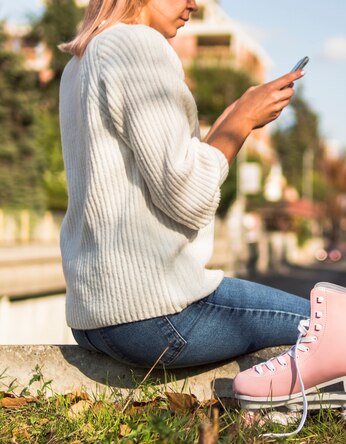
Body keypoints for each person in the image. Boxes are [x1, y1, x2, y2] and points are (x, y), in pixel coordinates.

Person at [58, 0, 310, 368]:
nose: (194, 3)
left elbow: (159, 177)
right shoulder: (138, 46)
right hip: (154, 316)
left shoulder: (79, 63)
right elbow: (187, 196)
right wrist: (241, 122)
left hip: (92, 320)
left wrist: (228, 123)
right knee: (336, 323)